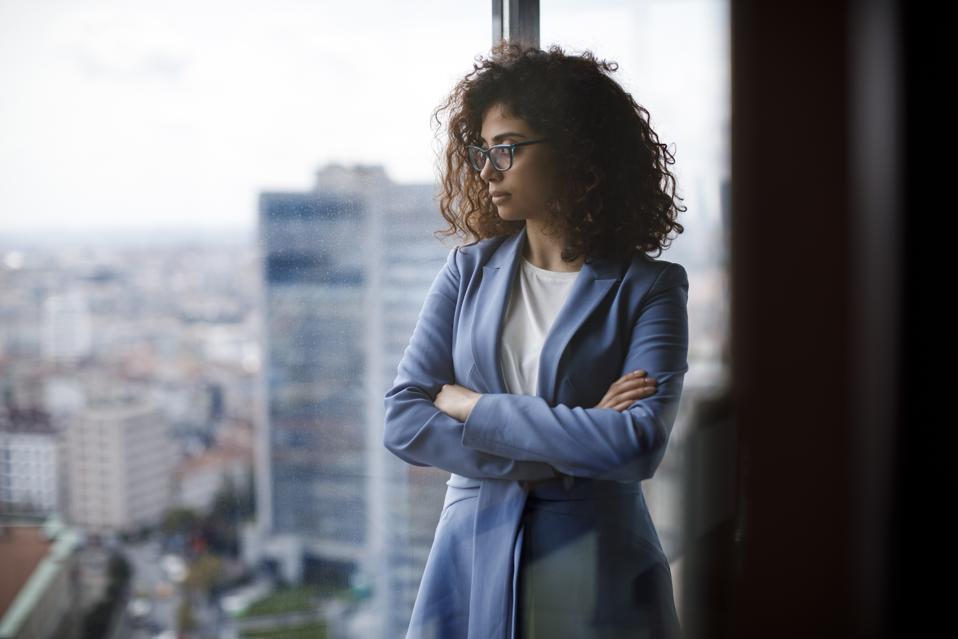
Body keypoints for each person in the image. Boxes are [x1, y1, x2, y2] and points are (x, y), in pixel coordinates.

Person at [383, 41, 688, 639]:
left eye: (508, 150)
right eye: (483, 152)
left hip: (596, 561)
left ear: (577, 151)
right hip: (469, 554)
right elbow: (403, 419)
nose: (487, 171)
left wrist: (474, 407)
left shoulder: (651, 287)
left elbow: (636, 444)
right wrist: (570, 444)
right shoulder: (466, 270)